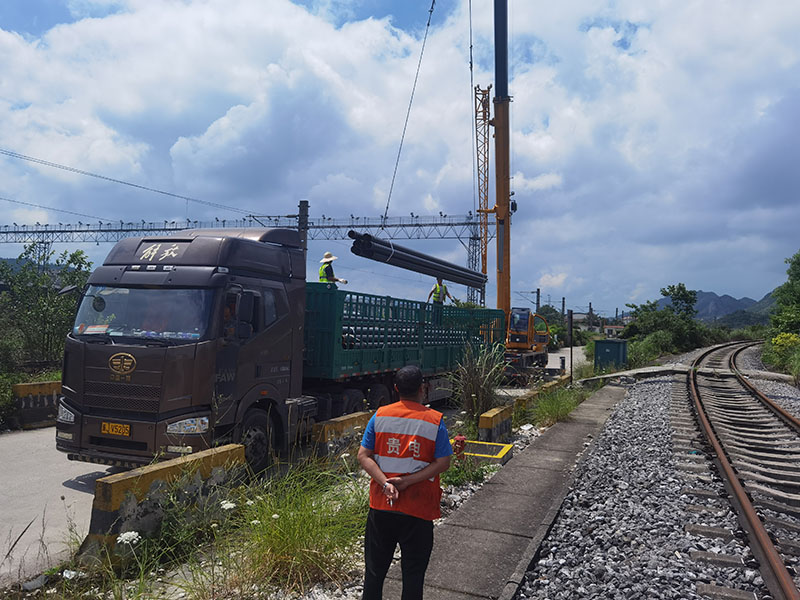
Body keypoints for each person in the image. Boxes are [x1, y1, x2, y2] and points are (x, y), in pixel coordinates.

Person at [358, 365, 452, 600]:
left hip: (382, 506)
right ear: (423, 388)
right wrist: (407, 482)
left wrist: (385, 483)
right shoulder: (434, 421)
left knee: (374, 572)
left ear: (396, 388)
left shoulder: (380, 416)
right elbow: (443, 462)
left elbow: (363, 456)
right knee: (413, 575)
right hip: (418, 509)